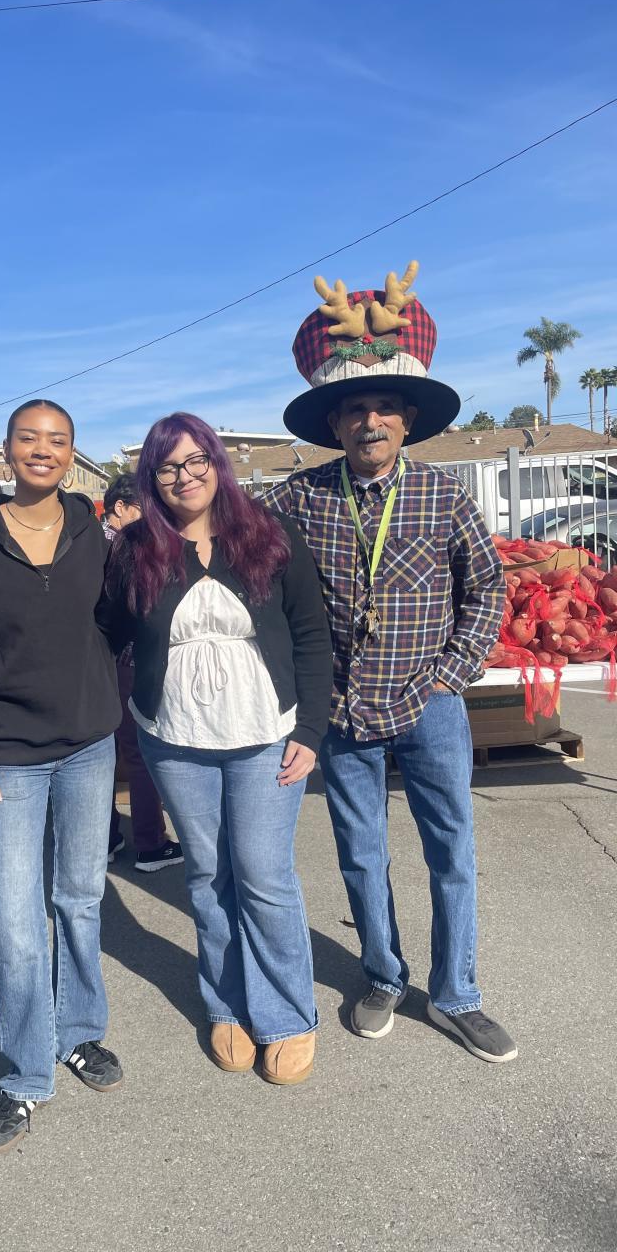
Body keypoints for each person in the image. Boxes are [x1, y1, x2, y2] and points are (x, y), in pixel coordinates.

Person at [266, 261, 516, 1063]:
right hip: (341, 712)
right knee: (361, 853)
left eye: (383, 408)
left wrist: (453, 673)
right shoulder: (300, 499)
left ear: (406, 420)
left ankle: (456, 993)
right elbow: (230, 544)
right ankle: (381, 974)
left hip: (430, 704)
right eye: (353, 409)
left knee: (452, 853)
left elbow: (488, 589)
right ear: (333, 424)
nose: (369, 421)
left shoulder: (445, 496)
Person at [100, 413, 332, 1084]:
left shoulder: (268, 533)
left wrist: (311, 731)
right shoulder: (135, 548)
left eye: (195, 460)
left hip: (266, 733)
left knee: (263, 875)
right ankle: (226, 1005)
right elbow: (104, 631)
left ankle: (287, 1014)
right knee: (207, 875)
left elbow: (311, 634)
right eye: (168, 467)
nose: (185, 476)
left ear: (217, 462)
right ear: (152, 478)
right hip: (175, 739)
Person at [0, 399, 124, 1155]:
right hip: (6, 754)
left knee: (79, 898)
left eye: (58, 440)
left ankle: (78, 1032)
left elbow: (115, 620)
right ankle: (25, 1073)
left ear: (72, 454)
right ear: (7, 451)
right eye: (29, 438)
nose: (43, 450)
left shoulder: (90, 530)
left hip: (88, 745)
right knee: (14, 920)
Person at [103, 474, 183, 873]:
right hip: (128, 661)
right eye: (144, 508)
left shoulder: (87, 542)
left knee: (103, 754)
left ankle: (106, 839)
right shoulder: (122, 546)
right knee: (139, 753)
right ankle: (150, 843)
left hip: (100, 665)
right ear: (119, 507)